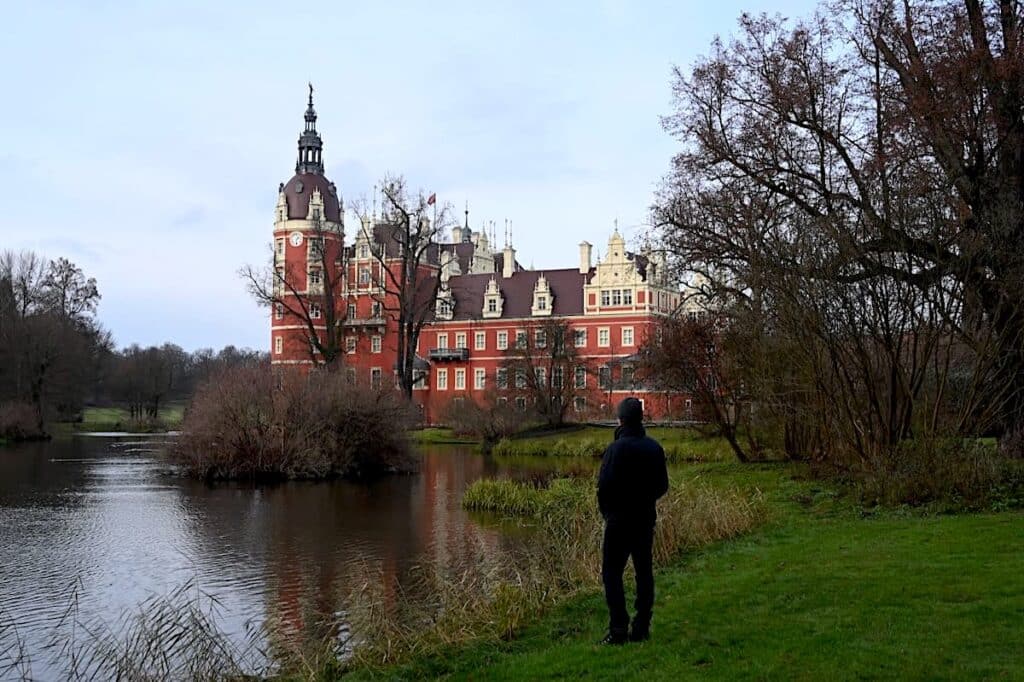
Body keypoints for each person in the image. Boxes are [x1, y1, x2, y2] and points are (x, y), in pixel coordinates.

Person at [597, 397, 669, 644]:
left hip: (618, 521)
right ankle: (642, 626)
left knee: (611, 573)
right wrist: (645, 500)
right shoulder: (654, 448)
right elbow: (662, 486)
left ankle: (618, 628)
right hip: (644, 519)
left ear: (621, 420)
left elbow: (603, 487)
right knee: (644, 572)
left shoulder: (615, 450)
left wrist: (608, 513)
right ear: (641, 418)